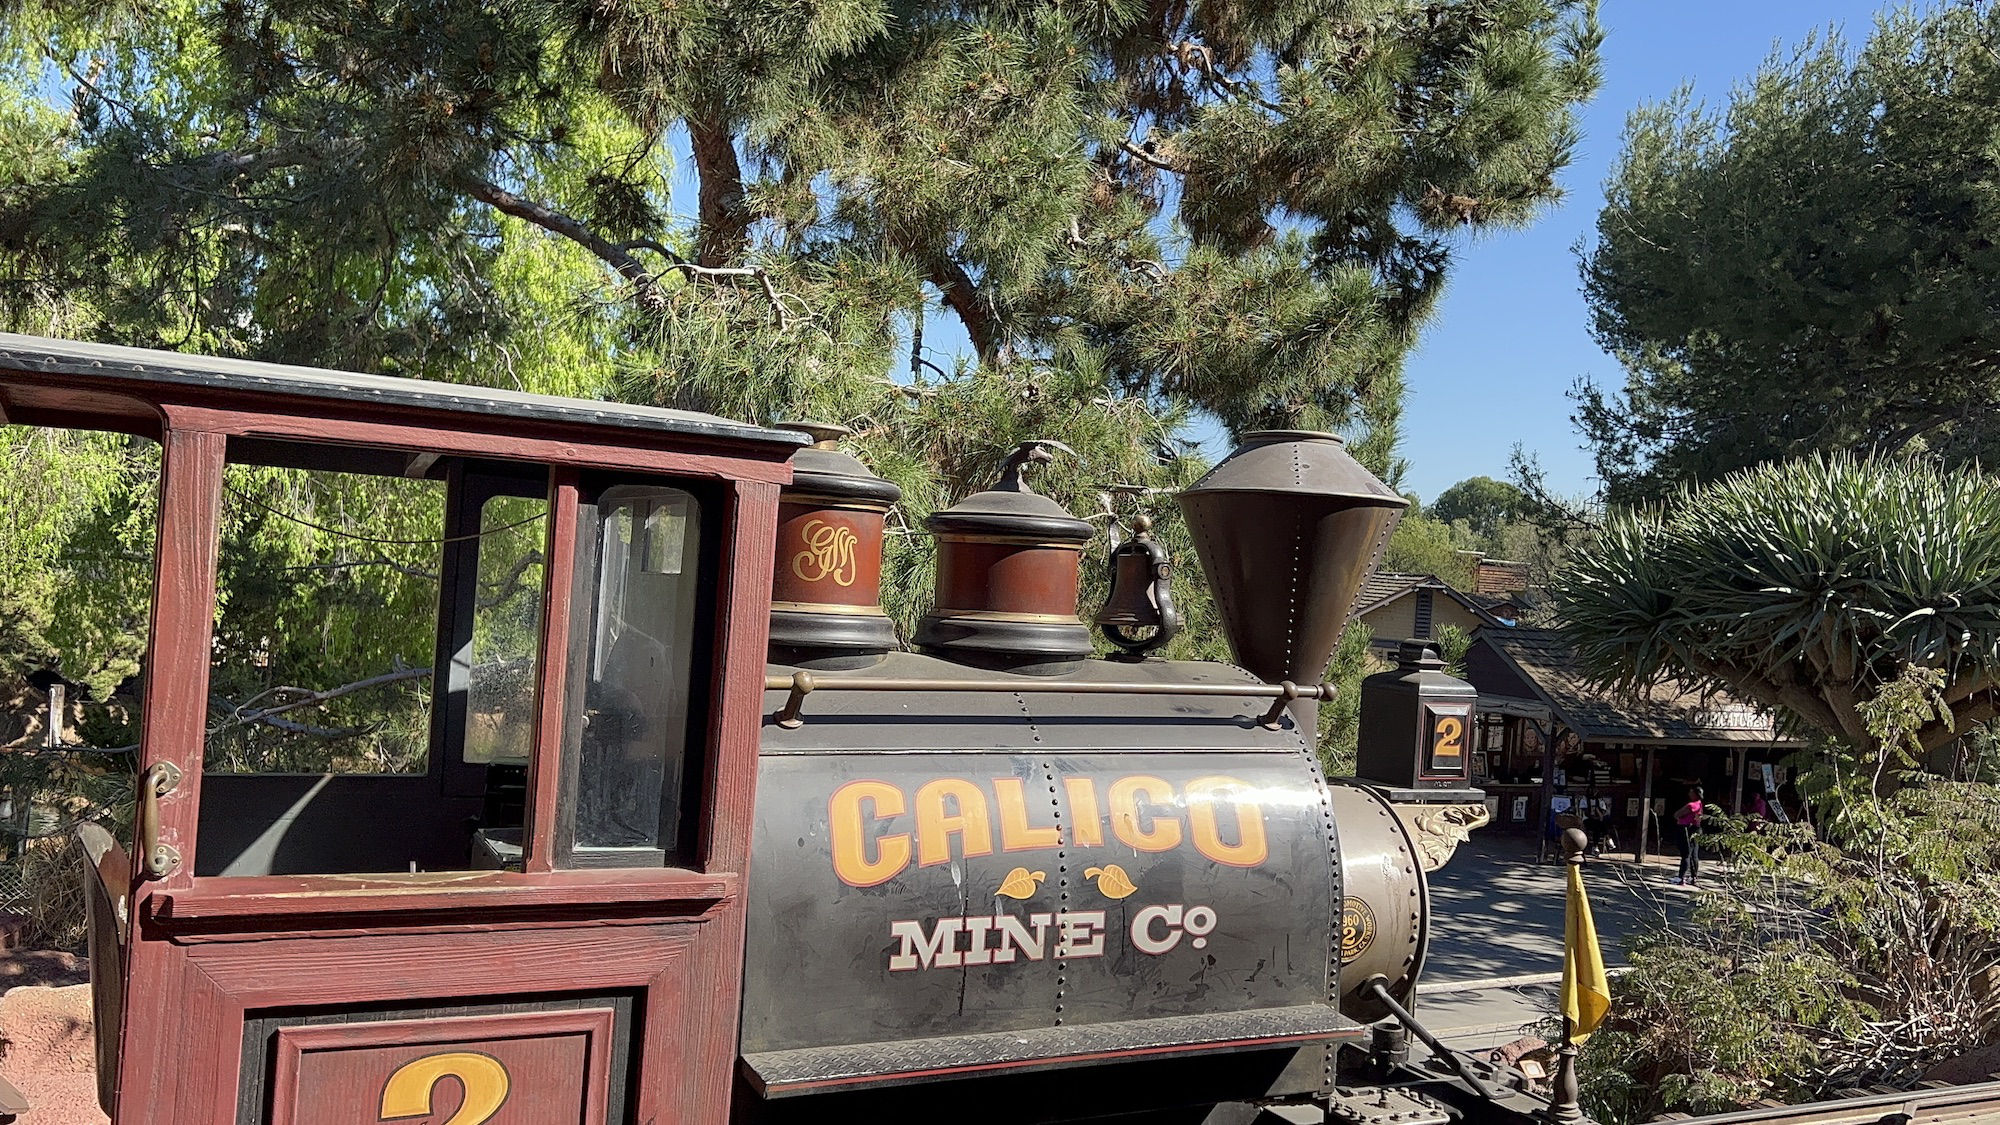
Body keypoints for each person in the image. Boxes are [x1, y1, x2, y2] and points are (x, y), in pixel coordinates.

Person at [1672, 784, 1705, 886]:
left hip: (1687, 829)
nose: (1689, 793)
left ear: (1695, 794)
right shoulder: (1700, 804)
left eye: (1691, 792)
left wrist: (1679, 818)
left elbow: (1677, 814)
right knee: (1694, 854)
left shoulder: (1692, 805)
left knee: (1686, 853)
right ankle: (1694, 877)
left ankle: (1681, 877)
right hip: (1697, 829)